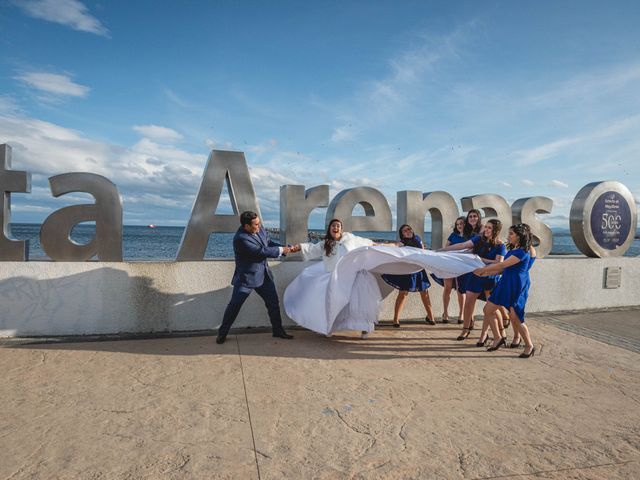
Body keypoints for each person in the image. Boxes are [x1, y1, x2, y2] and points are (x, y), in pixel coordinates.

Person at [284, 218, 378, 338]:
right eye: (333, 226)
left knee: (357, 303)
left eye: (338, 226)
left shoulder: (350, 238)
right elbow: (311, 248)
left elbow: (368, 243)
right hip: (334, 277)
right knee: (332, 304)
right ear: (329, 228)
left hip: (352, 276)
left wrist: (390, 246)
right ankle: (329, 327)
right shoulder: (326, 243)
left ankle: (364, 328)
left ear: (341, 229)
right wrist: (297, 247)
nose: (335, 228)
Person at [216, 211, 295, 344]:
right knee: (234, 306)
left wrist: (283, 248)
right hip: (246, 279)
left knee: (273, 304)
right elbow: (260, 252)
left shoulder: (260, 229)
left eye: (259, 223)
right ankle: (222, 333)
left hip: (264, 276)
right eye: (256, 225)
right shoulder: (240, 239)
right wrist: (282, 251)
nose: (259, 227)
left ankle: (278, 331)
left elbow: (268, 243)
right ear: (246, 226)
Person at [474, 224, 537, 358]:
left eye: (511, 234)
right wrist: (486, 274)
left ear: (519, 237)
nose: (508, 236)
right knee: (488, 310)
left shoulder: (522, 252)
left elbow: (503, 264)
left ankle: (529, 345)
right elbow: (503, 269)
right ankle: (498, 337)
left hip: (517, 286)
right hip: (505, 284)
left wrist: (484, 269)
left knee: (516, 317)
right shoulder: (514, 249)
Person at [439, 219, 506, 344]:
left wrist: (480, 259)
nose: (486, 229)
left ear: (496, 230)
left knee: (491, 308)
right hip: (475, 276)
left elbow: (499, 264)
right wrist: (443, 250)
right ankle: (466, 329)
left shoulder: (500, 246)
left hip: (490, 277)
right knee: (469, 303)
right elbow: (462, 246)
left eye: (490, 228)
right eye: (486, 227)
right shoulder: (478, 239)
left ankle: (501, 332)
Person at [381, 224, 435, 327]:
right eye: (405, 231)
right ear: (402, 234)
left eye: (409, 229)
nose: (408, 231)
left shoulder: (418, 238)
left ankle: (431, 316)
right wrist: (379, 245)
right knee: (403, 294)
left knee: (425, 293)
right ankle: (396, 319)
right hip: (407, 271)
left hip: (419, 270)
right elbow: (394, 246)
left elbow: (423, 250)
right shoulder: (403, 243)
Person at [441, 216, 467, 324]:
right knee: (447, 288)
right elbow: (446, 248)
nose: (460, 226)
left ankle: (461, 314)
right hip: (450, 264)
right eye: (458, 224)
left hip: (463, 266)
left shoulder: (470, 236)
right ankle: (445, 313)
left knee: (461, 290)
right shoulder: (453, 235)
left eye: (462, 223)